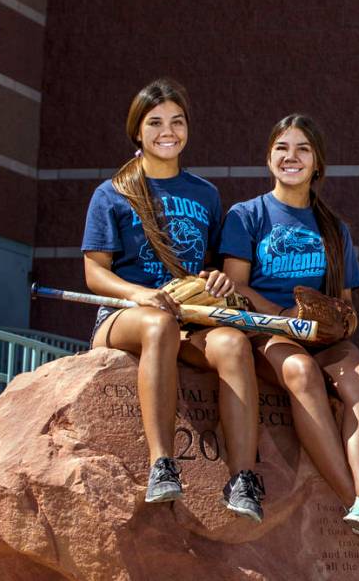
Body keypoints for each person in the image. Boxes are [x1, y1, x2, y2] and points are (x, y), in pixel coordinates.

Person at [219, 114, 359, 537]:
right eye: (282, 149)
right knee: (300, 372)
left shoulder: (333, 228)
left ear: (317, 162)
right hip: (270, 330)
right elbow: (235, 286)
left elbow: (344, 302)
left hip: (320, 334)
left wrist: (342, 321)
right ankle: (355, 502)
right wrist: (282, 316)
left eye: (303, 149)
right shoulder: (246, 215)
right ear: (269, 158)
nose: (292, 157)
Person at [81, 78, 265, 521]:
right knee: (157, 324)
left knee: (234, 344)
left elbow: (210, 265)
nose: (168, 131)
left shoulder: (205, 194)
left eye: (177, 121)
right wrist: (141, 294)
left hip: (190, 315)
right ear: (137, 131)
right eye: (156, 122)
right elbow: (94, 272)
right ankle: (162, 465)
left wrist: (217, 281)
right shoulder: (113, 193)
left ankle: (243, 479)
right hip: (125, 315)